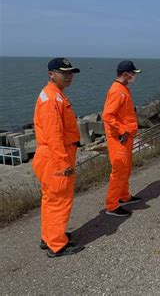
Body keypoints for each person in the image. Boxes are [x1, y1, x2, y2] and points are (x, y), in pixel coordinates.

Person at [32, 57, 84, 257]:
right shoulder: (52, 98)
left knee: (50, 198)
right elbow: (54, 135)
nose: (69, 76)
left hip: (52, 155)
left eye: (71, 73)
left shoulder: (54, 94)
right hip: (55, 156)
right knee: (59, 200)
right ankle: (57, 244)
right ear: (51, 74)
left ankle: (50, 236)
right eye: (65, 73)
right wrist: (64, 163)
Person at [103, 60, 142, 217]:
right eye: (133, 74)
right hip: (120, 138)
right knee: (119, 171)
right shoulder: (117, 91)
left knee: (125, 168)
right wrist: (123, 130)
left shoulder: (122, 89)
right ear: (125, 74)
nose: (134, 76)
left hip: (125, 136)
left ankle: (124, 196)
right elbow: (108, 115)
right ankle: (112, 205)